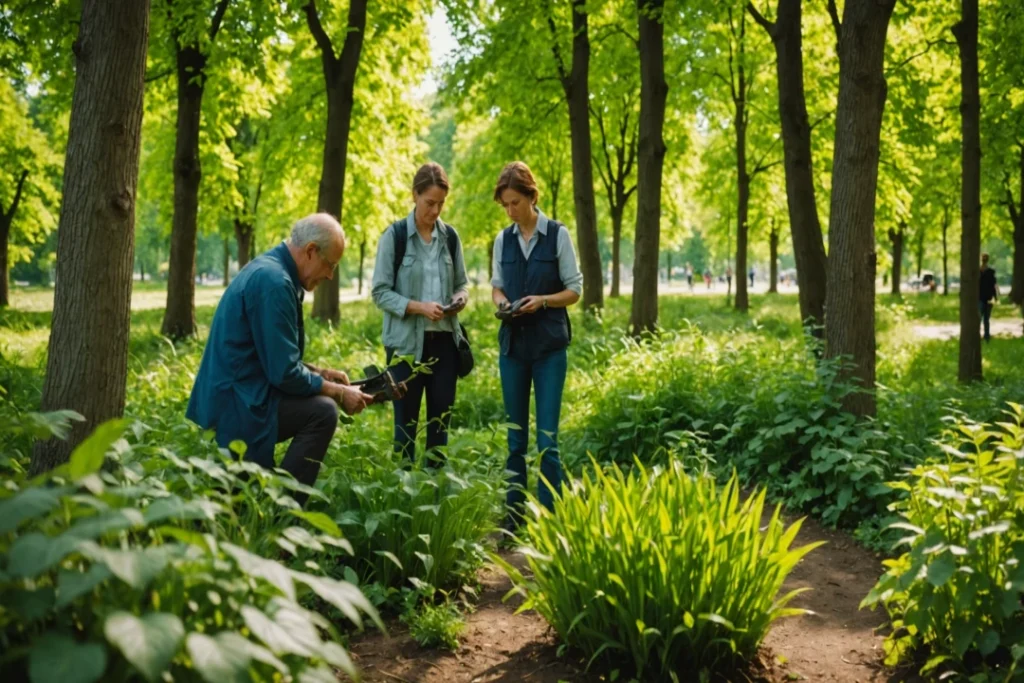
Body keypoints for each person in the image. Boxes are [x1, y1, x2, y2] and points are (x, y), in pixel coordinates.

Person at [186, 214, 374, 505]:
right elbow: (283, 372)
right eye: (331, 265)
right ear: (311, 251)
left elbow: (272, 354)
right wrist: (336, 392)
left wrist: (321, 374)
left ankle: (264, 498)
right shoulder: (274, 282)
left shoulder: (272, 271)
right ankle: (282, 513)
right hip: (237, 403)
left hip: (241, 392)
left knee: (320, 403)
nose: (330, 276)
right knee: (324, 412)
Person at [491, 161, 582, 530]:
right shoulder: (503, 239)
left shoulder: (557, 235)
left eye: (515, 202)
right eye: (505, 205)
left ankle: (551, 521)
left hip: (548, 350)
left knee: (548, 439)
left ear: (531, 197)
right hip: (513, 349)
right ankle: (513, 520)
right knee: (515, 439)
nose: (510, 211)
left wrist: (543, 300)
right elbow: (497, 285)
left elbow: (575, 289)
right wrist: (501, 303)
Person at [371, 162, 470, 466]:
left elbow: (462, 284)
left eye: (441, 203)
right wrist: (419, 307)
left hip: (444, 345)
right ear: (414, 195)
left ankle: (434, 498)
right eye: (430, 203)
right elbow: (380, 292)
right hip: (405, 346)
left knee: (439, 427)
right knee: (405, 428)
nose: (436, 210)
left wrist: (459, 298)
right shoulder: (395, 236)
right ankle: (403, 502)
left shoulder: (450, 238)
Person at [979, 252, 999, 341]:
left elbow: (993, 285)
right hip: (985, 298)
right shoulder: (979, 271)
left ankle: (986, 336)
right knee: (985, 319)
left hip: (984, 298)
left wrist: (995, 297)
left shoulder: (988, 272)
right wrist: (995, 297)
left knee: (983, 319)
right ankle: (986, 336)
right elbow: (993, 285)